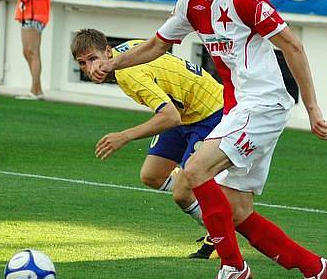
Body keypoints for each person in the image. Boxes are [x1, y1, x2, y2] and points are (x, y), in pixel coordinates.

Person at [90, 0, 327, 279]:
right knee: (237, 212)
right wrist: (113, 64)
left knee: (194, 170)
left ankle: (232, 268)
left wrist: (314, 108)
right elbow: (158, 45)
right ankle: (315, 268)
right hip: (238, 106)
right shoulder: (191, 2)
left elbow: (293, 47)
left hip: (265, 102)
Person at [70, 28, 223, 259]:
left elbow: (169, 117)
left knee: (182, 192)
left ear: (108, 52)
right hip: (183, 110)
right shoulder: (124, 53)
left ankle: (220, 235)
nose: (90, 69)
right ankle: (209, 201)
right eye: (82, 63)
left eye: (93, 59)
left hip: (210, 111)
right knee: (152, 175)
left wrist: (124, 136)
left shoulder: (127, 73)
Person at [13, 0, 54, 100]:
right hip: (25, 14)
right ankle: (38, 90)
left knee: (34, 52)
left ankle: (34, 90)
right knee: (26, 52)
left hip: (37, 15)